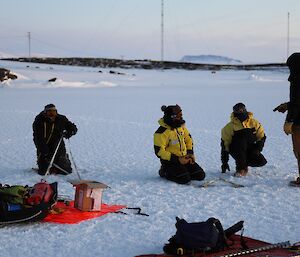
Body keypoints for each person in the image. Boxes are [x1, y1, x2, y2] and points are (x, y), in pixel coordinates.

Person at [154, 105, 205, 184]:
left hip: (184, 158)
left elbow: (188, 140)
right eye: (178, 116)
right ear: (172, 117)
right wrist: (177, 159)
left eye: (181, 115)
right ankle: (164, 171)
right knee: (184, 179)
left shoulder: (181, 127)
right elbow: (159, 151)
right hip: (170, 161)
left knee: (200, 175)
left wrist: (190, 153)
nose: (181, 118)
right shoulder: (161, 132)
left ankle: (182, 169)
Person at [273, 52, 300, 184]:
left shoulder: (297, 80)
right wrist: (287, 105)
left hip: (299, 122)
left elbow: (297, 103)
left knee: (299, 150)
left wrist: (289, 121)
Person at [221, 103, 267, 176]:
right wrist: (224, 162)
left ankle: (244, 163)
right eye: (237, 111)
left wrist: (257, 150)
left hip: (249, 148)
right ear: (234, 112)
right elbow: (225, 144)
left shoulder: (255, 123)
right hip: (236, 149)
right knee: (241, 139)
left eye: (241, 110)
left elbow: (261, 137)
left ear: (245, 110)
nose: (240, 112)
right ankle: (241, 168)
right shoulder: (229, 127)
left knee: (261, 161)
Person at [32, 104, 78, 175]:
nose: (52, 114)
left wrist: (69, 132)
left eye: (54, 112)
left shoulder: (61, 119)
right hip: (44, 147)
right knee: (43, 172)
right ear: (45, 112)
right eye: (49, 112)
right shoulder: (39, 120)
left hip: (58, 146)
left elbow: (72, 128)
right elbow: (38, 138)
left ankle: (64, 159)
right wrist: (44, 152)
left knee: (66, 171)